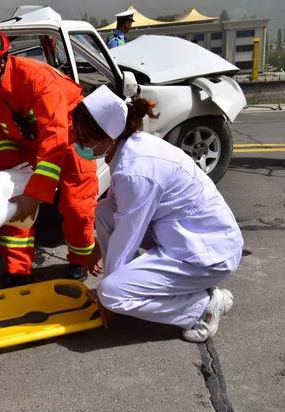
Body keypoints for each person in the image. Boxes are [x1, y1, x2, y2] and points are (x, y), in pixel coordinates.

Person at [73, 85, 244, 343]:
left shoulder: (135, 170)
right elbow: (116, 215)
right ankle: (149, 286)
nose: (79, 143)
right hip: (187, 235)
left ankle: (202, 308)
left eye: (84, 138)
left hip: (209, 253)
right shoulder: (130, 148)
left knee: (112, 293)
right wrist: (102, 252)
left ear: (107, 136)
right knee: (105, 211)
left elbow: (127, 236)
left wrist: (111, 297)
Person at [0, 24, 99, 287]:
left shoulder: (36, 79)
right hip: (28, 143)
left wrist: (36, 191)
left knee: (77, 206)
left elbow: (55, 135)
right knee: (13, 200)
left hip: (70, 139)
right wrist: (10, 173)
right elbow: (3, 131)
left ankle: (81, 259)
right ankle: (18, 268)